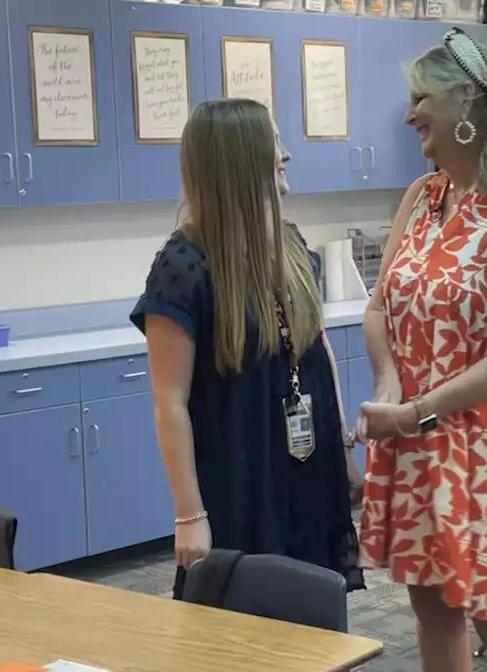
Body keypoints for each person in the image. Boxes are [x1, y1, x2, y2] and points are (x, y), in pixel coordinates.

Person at [356, 28, 487, 672]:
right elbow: (378, 307)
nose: (410, 113)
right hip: (416, 437)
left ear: (469, 101)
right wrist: (391, 386)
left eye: (423, 98)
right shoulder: (424, 197)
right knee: (434, 610)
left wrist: (417, 408)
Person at [131, 98, 364, 598]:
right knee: (242, 629)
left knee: (315, 624)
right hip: (239, 479)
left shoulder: (292, 247)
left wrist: (344, 450)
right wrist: (189, 514)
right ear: (239, 160)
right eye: (274, 143)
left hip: (306, 470)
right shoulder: (184, 265)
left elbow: (316, 350)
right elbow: (168, 403)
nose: (287, 155)